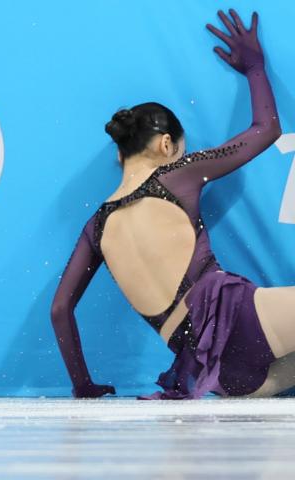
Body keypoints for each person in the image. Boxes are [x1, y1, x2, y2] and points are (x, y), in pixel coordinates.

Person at [50, 8, 288, 400]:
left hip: (220, 376)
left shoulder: (96, 227)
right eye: (182, 146)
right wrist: (255, 67)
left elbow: (60, 310)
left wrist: (84, 386)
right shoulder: (179, 174)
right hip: (248, 321)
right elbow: (266, 130)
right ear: (166, 145)